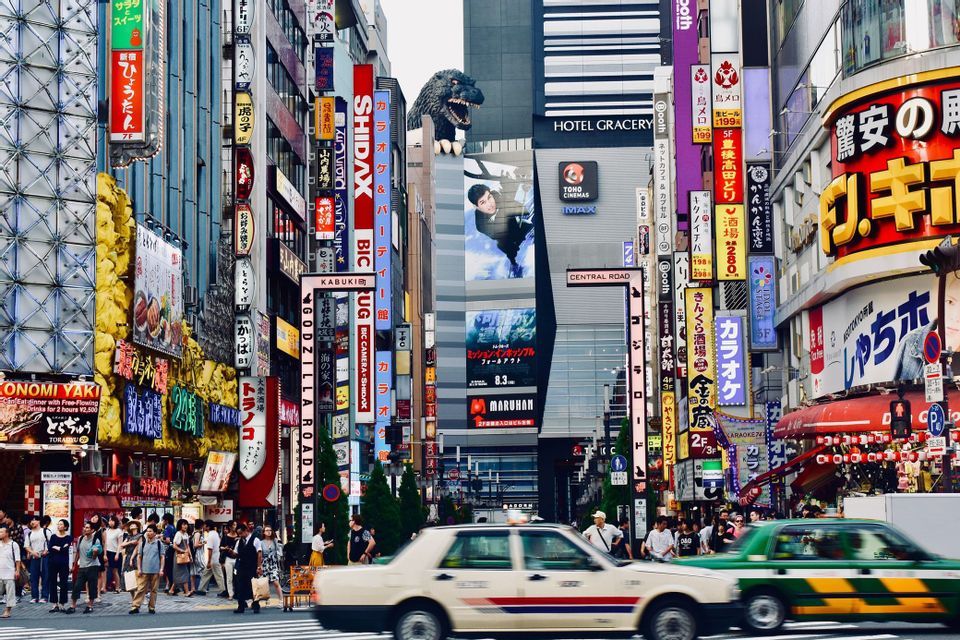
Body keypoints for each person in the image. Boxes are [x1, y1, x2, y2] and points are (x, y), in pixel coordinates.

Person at [467, 184, 533, 277]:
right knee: (507, 247)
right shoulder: (481, 225)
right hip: (504, 237)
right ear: (476, 207)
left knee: (529, 224)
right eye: (483, 202)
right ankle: (514, 264)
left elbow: (516, 205)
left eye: (489, 197)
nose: (490, 204)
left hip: (516, 225)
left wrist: (523, 192)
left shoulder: (496, 196)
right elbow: (499, 234)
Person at [226, 523, 262, 614]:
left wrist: (259, 566)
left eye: (241, 533)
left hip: (252, 566)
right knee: (240, 586)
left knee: (253, 586)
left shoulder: (255, 540)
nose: (240, 535)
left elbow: (259, 553)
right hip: (241, 566)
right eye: (239, 534)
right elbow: (236, 554)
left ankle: (256, 605)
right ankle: (241, 606)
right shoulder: (239, 541)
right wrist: (230, 552)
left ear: (246, 531)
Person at [67, 521, 101, 614]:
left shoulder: (96, 540)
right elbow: (77, 552)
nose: (85, 529)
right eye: (85, 527)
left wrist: (95, 552)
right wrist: (74, 565)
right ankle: (72, 606)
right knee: (77, 586)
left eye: (87, 527)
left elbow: (94, 557)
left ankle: (90, 606)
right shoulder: (80, 539)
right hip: (82, 566)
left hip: (93, 566)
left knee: (92, 587)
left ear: (92, 530)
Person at [130, 524, 164, 614]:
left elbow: (162, 557)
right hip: (144, 570)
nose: (148, 533)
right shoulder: (142, 544)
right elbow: (139, 557)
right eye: (147, 531)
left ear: (155, 533)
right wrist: (139, 568)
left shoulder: (159, 544)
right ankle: (135, 606)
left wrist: (161, 569)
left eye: (150, 531)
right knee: (141, 589)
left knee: (154, 590)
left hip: (155, 571)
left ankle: (152, 607)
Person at [46, 519, 71, 612]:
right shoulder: (53, 537)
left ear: (65, 527)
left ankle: (62, 604)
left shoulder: (68, 537)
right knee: (52, 582)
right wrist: (60, 548)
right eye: (58, 524)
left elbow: (65, 549)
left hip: (63, 563)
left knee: (64, 583)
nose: (59, 525)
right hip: (52, 562)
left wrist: (57, 547)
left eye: (61, 524)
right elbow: (50, 548)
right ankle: (54, 604)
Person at [24, 515, 48, 603]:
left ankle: (44, 596)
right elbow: (26, 546)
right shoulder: (29, 533)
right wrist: (32, 552)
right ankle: (34, 597)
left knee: (45, 577)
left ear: (38, 521)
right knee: (34, 577)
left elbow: (51, 542)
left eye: (34, 520)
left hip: (45, 557)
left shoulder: (45, 531)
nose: (32, 522)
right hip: (34, 557)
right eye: (31, 521)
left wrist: (46, 551)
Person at [196, 521, 224, 596]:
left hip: (213, 559)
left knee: (218, 575)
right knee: (206, 574)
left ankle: (223, 590)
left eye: (205, 525)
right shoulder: (215, 534)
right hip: (215, 558)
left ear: (208, 527)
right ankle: (202, 589)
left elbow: (210, 549)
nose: (203, 527)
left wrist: (208, 562)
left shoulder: (210, 536)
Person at [0, 525, 22, 619]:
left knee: (10, 593)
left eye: (1, 532)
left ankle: (7, 611)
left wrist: (17, 571)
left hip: (9, 572)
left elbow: (18, 560)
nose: (0, 533)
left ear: (7, 533)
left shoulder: (14, 545)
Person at [259, 526, 284, 605]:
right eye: (267, 530)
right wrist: (260, 566)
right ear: (263, 532)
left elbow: (280, 548)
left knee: (276, 582)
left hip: (273, 563)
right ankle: (267, 600)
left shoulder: (275, 541)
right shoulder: (261, 542)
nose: (269, 531)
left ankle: (281, 600)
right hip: (265, 563)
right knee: (265, 583)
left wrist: (278, 536)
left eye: (270, 530)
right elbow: (260, 554)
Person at [170, 519, 195, 596]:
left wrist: (190, 556)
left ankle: (171, 590)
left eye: (186, 524)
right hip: (179, 556)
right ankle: (187, 592)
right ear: (180, 525)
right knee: (185, 573)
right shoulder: (178, 534)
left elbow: (187, 546)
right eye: (183, 524)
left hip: (184, 556)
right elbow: (174, 546)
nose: (185, 526)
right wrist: (182, 551)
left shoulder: (186, 534)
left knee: (179, 574)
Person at [119, 521, 142, 595]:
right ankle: (133, 599)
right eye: (130, 525)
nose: (131, 526)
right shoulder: (129, 537)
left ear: (137, 527)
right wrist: (130, 542)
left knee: (137, 578)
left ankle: (140, 598)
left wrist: (132, 558)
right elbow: (122, 545)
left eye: (133, 524)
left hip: (136, 557)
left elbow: (137, 548)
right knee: (129, 579)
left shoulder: (140, 536)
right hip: (128, 556)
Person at [103, 515, 123, 593]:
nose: (110, 522)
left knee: (115, 571)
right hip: (107, 551)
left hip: (115, 552)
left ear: (116, 522)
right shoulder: (106, 530)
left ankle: (118, 587)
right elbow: (105, 543)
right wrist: (104, 554)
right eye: (110, 520)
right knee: (105, 570)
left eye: (112, 520)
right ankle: (104, 586)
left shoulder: (119, 531)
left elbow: (119, 544)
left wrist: (117, 554)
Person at [219, 520, 239, 598]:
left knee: (237, 577)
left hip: (237, 559)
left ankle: (237, 593)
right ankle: (230, 594)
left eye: (236, 525)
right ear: (230, 527)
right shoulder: (225, 537)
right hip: (228, 559)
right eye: (234, 525)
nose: (235, 526)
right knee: (229, 577)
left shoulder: (239, 536)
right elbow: (220, 547)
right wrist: (225, 548)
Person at [160, 513, 175, 592]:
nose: (162, 521)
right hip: (173, 549)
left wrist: (162, 539)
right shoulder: (173, 527)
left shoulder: (168, 528)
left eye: (163, 520)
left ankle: (170, 585)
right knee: (171, 568)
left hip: (168, 550)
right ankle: (171, 585)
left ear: (166, 520)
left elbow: (168, 541)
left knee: (168, 568)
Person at [191, 521, 205, 592]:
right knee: (204, 568)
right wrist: (204, 543)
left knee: (193, 571)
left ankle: (193, 588)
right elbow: (196, 545)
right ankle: (202, 587)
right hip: (198, 554)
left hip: (194, 554)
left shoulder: (194, 533)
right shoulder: (198, 533)